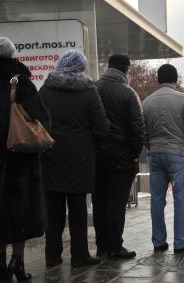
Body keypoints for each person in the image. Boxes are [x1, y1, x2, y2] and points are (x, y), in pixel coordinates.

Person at [0, 37, 49, 282]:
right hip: (20, 151)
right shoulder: (20, 82)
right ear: (10, 53)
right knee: (22, 207)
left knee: (1, 206)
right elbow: (41, 115)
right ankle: (17, 262)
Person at [39, 50, 110, 268]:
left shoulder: (46, 89)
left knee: (53, 207)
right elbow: (102, 126)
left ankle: (52, 255)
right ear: (81, 67)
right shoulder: (88, 91)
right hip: (80, 156)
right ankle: (80, 255)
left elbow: (37, 118)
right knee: (78, 207)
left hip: (50, 153)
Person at [142, 64, 184, 254]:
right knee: (182, 198)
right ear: (176, 80)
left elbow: (142, 131)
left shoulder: (147, 102)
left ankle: (159, 241)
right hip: (178, 153)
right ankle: (181, 242)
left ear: (158, 79)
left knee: (157, 199)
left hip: (155, 154)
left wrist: (151, 146)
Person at [92, 54, 144, 259]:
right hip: (121, 155)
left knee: (99, 201)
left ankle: (101, 246)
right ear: (126, 70)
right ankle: (115, 246)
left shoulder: (93, 88)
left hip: (96, 154)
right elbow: (137, 128)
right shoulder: (128, 93)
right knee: (116, 202)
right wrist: (133, 153)